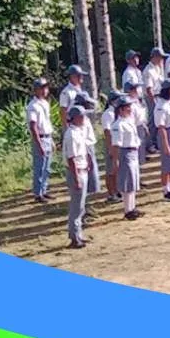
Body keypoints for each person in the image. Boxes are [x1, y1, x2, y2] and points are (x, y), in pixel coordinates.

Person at [62, 105, 93, 249]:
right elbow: (71, 158)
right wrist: (76, 178)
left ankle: (78, 234)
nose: (84, 119)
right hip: (76, 171)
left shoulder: (79, 131)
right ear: (74, 118)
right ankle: (74, 236)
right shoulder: (71, 134)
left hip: (82, 169)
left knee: (80, 206)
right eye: (82, 116)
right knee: (76, 206)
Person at [109, 96, 145, 220]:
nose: (130, 109)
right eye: (127, 107)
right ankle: (127, 209)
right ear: (120, 110)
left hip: (133, 152)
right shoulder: (118, 125)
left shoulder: (129, 121)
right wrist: (116, 160)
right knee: (127, 182)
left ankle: (132, 207)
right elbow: (116, 145)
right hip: (125, 152)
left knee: (133, 180)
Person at [27, 78, 54, 203]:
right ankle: (38, 193)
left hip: (47, 136)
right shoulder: (33, 106)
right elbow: (33, 126)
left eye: (46, 88)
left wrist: (51, 140)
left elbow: (47, 122)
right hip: (40, 138)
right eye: (42, 88)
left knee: (47, 167)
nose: (44, 90)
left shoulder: (45, 103)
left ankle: (44, 189)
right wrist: (39, 144)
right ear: (36, 90)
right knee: (40, 167)